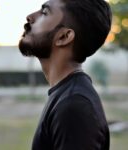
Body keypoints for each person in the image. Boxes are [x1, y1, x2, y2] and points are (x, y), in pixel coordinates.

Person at [19, 0, 112, 149]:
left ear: (64, 37)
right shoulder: (67, 95)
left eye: (45, 13)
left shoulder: (74, 106)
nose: (30, 17)